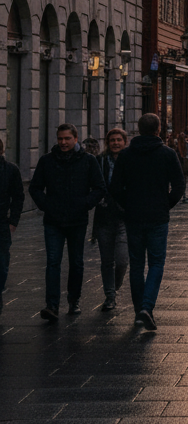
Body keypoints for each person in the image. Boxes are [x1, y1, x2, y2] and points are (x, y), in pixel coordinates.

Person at [110, 113, 186, 331]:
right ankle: (146, 307)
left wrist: (128, 204)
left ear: (139, 129)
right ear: (158, 129)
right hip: (157, 217)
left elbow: (115, 188)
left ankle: (138, 312)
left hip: (133, 216)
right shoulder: (167, 154)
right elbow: (179, 186)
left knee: (136, 264)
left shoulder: (126, 155)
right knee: (156, 263)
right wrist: (165, 204)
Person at [29, 123, 105, 320]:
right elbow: (35, 188)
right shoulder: (47, 161)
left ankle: (74, 300)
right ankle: (52, 305)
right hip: (53, 220)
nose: (63, 142)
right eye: (60, 138)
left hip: (77, 220)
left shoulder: (88, 161)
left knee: (76, 262)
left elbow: (99, 188)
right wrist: (47, 205)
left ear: (75, 139)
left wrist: (84, 204)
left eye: (67, 139)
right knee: (53, 262)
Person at [94, 128, 129, 311]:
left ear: (125, 142)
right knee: (107, 260)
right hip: (104, 217)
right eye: (112, 140)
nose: (115, 143)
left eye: (119, 140)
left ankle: (114, 286)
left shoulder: (131, 160)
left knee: (122, 260)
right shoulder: (99, 161)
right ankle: (110, 296)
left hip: (124, 216)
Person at [0, 136, 24, 313]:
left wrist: (13, 221)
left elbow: (18, 196)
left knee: (2, 263)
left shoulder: (10, 170)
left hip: (1, 224)